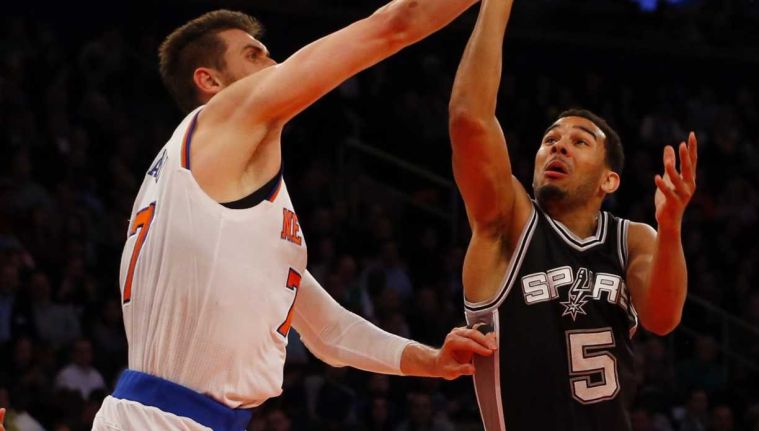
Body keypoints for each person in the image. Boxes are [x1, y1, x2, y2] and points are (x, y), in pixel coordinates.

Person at [92, 3, 498, 430]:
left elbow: (330, 333)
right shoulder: (220, 121)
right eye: (253, 55)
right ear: (209, 81)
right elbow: (394, 25)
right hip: (164, 418)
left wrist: (432, 361)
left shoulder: (221, 200)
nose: (275, 64)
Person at [447, 0, 697, 429]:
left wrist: (670, 228)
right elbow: (469, 119)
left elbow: (662, 317)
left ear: (609, 180)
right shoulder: (508, 225)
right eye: (550, 139)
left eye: (580, 141)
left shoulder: (631, 239)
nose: (558, 146)